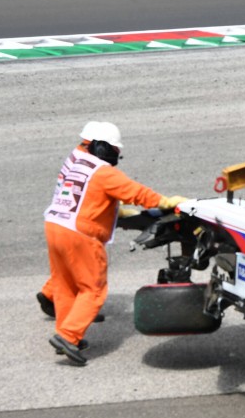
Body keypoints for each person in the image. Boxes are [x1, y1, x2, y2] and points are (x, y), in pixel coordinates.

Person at [42, 121, 187, 365]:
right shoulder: (103, 172)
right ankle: (68, 336)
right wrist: (165, 202)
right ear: (99, 147)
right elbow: (135, 192)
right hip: (81, 233)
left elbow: (85, 193)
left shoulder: (75, 158)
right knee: (93, 288)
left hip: (55, 225)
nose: (116, 156)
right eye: (114, 151)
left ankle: (68, 333)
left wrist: (109, 212)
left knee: (65, 284)